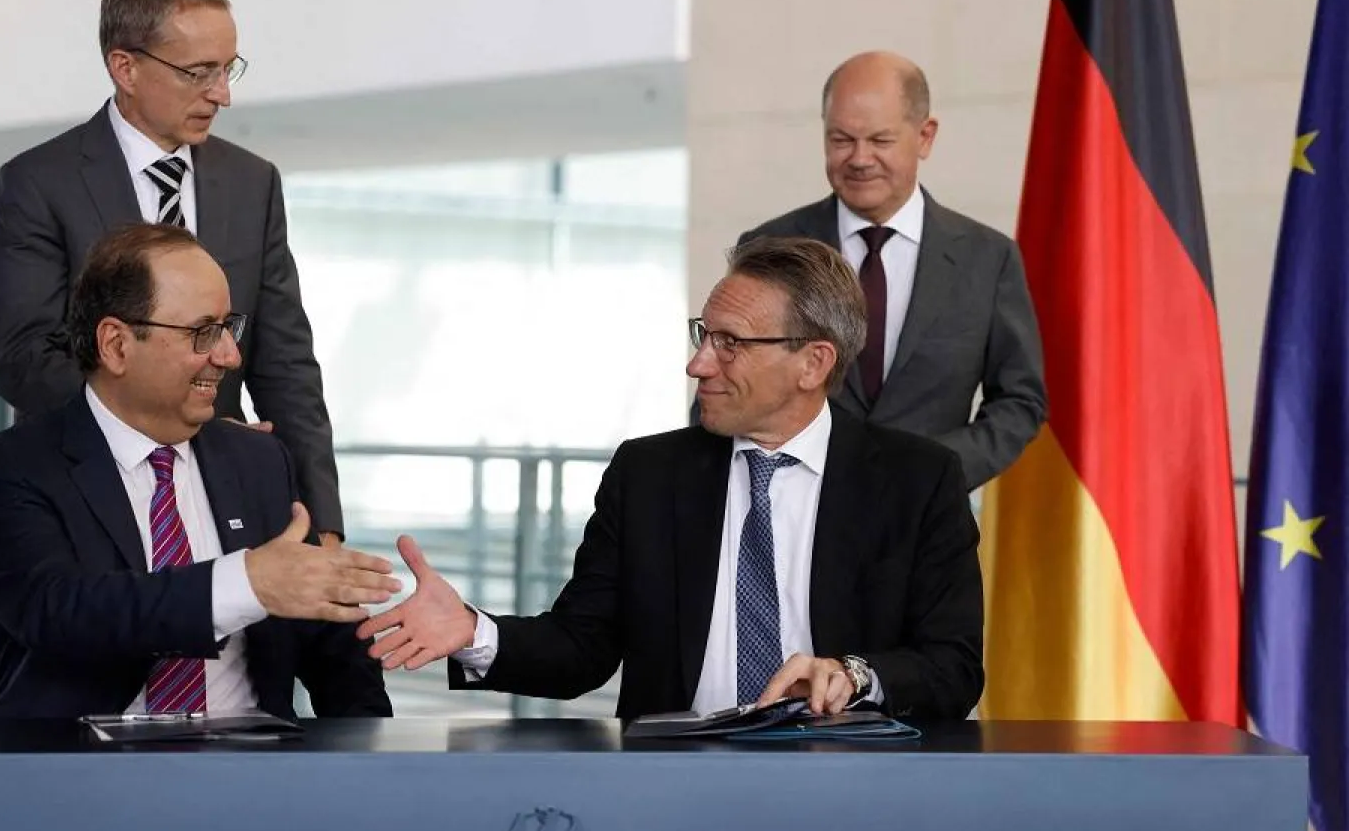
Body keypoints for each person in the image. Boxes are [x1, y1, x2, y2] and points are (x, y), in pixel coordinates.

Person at [357, 236, 984, 721]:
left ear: (812, 362)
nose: (698, 363)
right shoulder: (650, 474)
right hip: (670, 790)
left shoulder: (917, 480)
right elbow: (581, 650)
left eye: (730, 343)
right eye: (702, 335)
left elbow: (952, 668)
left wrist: (854, 674)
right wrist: (474, 631)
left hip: (845, 788)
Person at [0, 224, 396, 719]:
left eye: (230, 327)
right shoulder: (6, 469)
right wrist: (244, 585)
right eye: (203, 331)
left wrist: (372, 771)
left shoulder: (259, 461)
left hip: (250, 773)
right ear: (116, 345)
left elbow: (332, 651)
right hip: (81, 778)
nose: (229, 355)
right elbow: (57, 612)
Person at [0, 0, 346, 548]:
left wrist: (323, 526)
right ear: (125, 67)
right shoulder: (37, 182)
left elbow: (286, 365)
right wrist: (178, 429)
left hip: (230, 506)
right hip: (88, 499)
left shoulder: (252, 183)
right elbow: (24, 359)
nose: (222, 94)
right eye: (199, 72)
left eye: (229, 69)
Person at [736, 51, 1046, 489]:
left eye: (880, 141)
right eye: (841, 140)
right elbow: (729, 384)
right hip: (790, 514)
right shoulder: (771, 249)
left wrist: (937, 469)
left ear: (925, 137)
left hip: (927, 523)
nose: (860, 159)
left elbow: (1020, 400)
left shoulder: (988, 259)